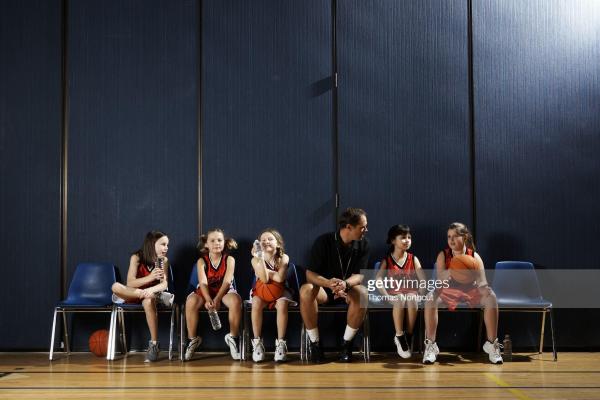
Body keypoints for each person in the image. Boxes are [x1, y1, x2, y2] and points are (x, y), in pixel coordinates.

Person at [423, 222, 503, 364]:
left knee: (491, 297)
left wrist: (485, 289)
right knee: (430, 298)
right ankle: (431, 346)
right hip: (448, 289)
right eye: (449, 237)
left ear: (465, 237)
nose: (451, 240)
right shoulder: (443, 255)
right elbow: (440, 281)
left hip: (471, 290)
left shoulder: (474, 257)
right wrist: (454, 268)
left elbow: (482, 282)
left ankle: (492, 345)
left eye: (455, 236)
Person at [300, 207, 370, 363]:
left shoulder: (364, 244)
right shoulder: (323, 241)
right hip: (324, 291)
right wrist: (328, 283)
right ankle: (315, 345)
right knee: (306, 290)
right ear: (349, 227)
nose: (366, 230)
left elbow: (360, 275)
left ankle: (347, 345)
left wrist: (345, 284)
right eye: (362, 227)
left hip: (348, 290)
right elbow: (310, 274)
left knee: (363, 293)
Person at [111, 230, 174, 362]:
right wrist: (150, 278)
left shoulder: (163, 260)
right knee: (115, 286)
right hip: (134, 293)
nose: (166, 248)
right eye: (163, 244)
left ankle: (154, 344)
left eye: (167, 245)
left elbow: (164, 284)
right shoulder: (136, 257)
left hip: (150, 295)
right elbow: (130, 283)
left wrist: (150, 290)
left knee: (148, 300)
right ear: (152, 244)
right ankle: (158, 297)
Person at [183, 228, 242, 361]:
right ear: (206, 244)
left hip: (223, 291)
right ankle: (192, 339)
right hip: (206, 291)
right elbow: (203, 283)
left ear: (224, 242)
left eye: (220, 240)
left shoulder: (229, 260)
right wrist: (209, 299)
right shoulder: (201, 261)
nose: (217, 243)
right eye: (213, 241)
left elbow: (227, 282)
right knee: (191, 301)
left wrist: (217, 299)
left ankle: (233, 338)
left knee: (236, 301)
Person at [375, 224, 426, 358]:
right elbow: (378, 280)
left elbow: (423, 280)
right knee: (400, 298)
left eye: (409, 237)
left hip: (411, 293)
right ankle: (399, 335)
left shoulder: (413, 259)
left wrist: (421, 294)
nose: (407, 240)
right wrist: (386, 296)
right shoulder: (387, 260)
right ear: (393, 240)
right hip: (394, 294)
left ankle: (408, 334)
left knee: (411, 297)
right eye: (403, 237)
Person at [249, 229, 297, 363]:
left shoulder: (284, 257)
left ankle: (281, 343)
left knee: (282, 303)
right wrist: (260, 259)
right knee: (256, 302)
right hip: (262, 292)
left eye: (270, 239)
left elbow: (280, 278)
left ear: (278, 243)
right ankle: (257, 343)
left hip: (281, 291)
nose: (266, 242)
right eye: (263, 240)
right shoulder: (255, 259)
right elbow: (264, 280)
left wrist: (265, 270)